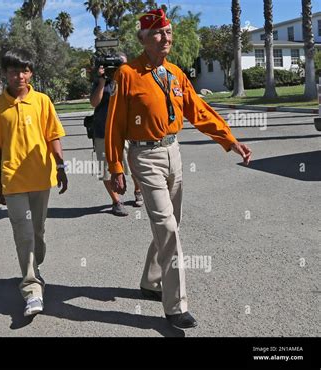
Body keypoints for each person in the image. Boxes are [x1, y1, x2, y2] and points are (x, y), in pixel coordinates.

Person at [105, 9, 252, 330]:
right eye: (158, 33)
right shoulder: (127, 74)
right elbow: (114, 124)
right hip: (144, 156)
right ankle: (176, 307)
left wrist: (230, 140)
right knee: (167, 228)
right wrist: (116, 166)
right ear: (143, 39)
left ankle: (150, 280)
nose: (165, 38)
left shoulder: (175, 74)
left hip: (173, 151)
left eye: (168, 32)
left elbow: (199, 111)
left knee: (171, 225)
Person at [0, 49, 68, 317]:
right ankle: (31, 289)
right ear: (5, 74)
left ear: (31, 73)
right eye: (14, 71)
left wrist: (61, 166)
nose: (20, 76)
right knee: (24, 234)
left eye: (25, 70)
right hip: (12, 181)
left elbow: (53, 135)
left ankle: (34, 266)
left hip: (41, 177)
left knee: (38, 232)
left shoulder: (42, 101)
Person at [90, 52, 143, 217]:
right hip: (102, 131)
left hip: (127, 132)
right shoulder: (101, 81)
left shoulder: (128, 79)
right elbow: (94, 103)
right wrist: (101, 81)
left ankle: (138, 190)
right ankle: (116, 201)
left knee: (134, 165)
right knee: (106, 169)